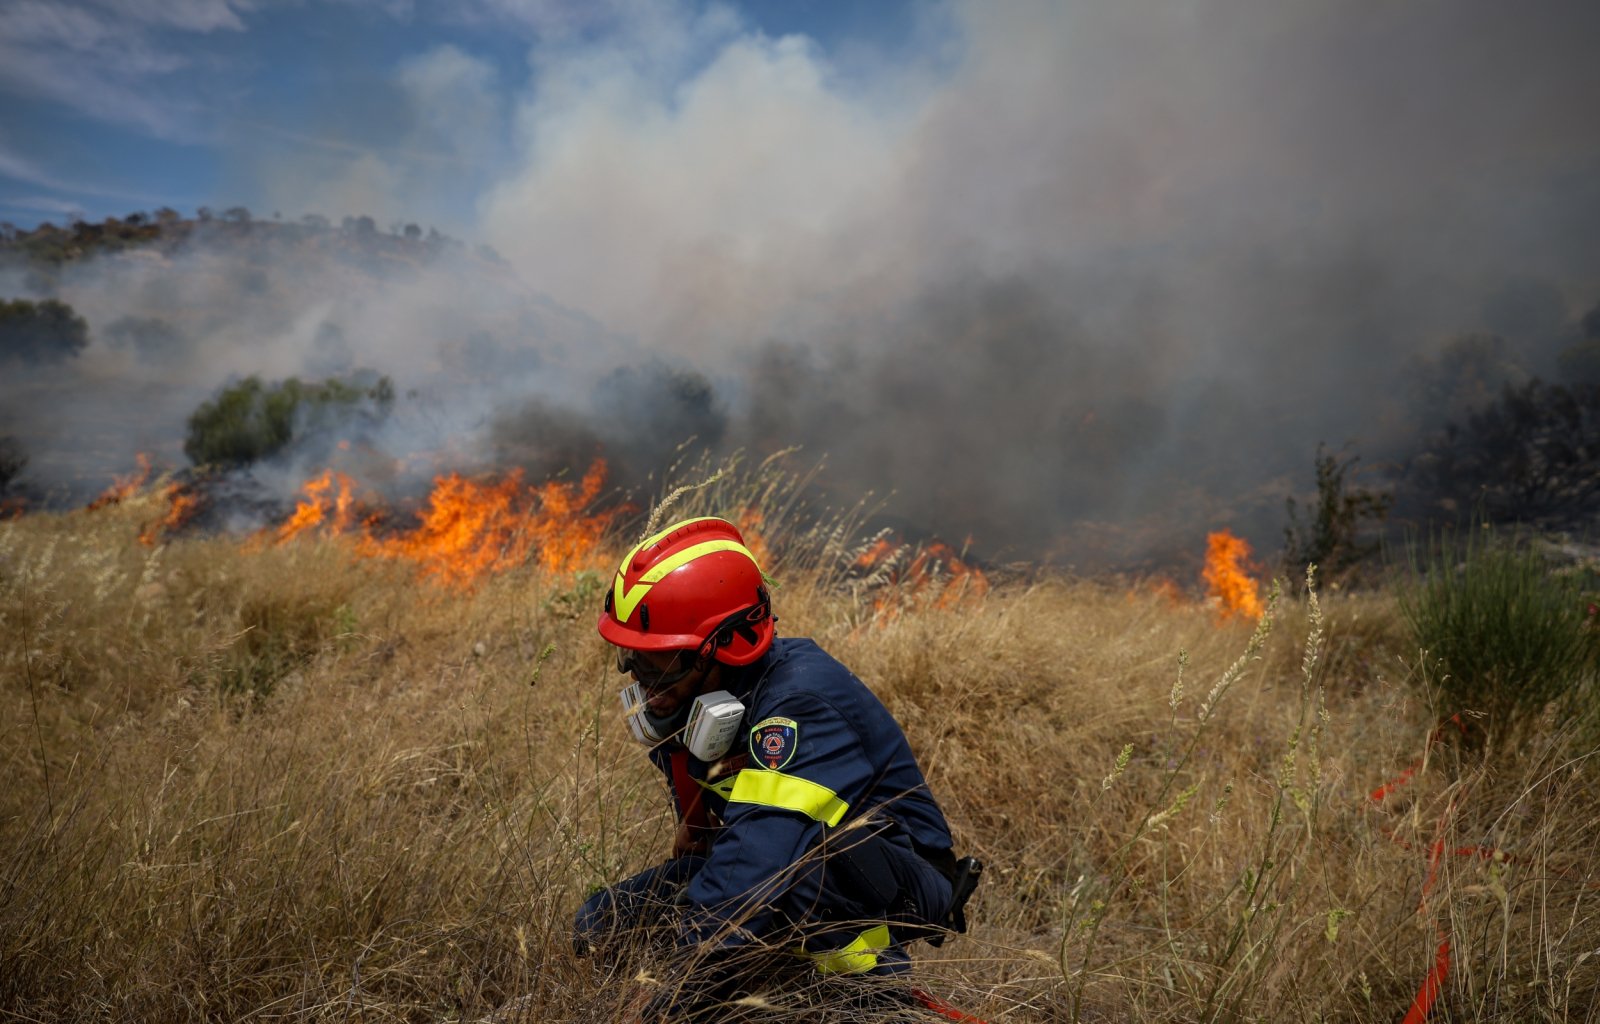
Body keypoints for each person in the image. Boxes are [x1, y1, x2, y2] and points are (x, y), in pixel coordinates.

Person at [575, 515, 979, 1018]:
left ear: (727, 645)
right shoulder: (696, 702)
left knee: (800, 875)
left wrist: (672, 1000)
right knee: (601, 923)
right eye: (633, 658)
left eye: (662, 663)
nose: (642, 680)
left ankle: (876, 1000)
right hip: (781, 853)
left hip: (887, 874)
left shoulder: (799, 705)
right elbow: (720, 846)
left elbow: (750, 868)